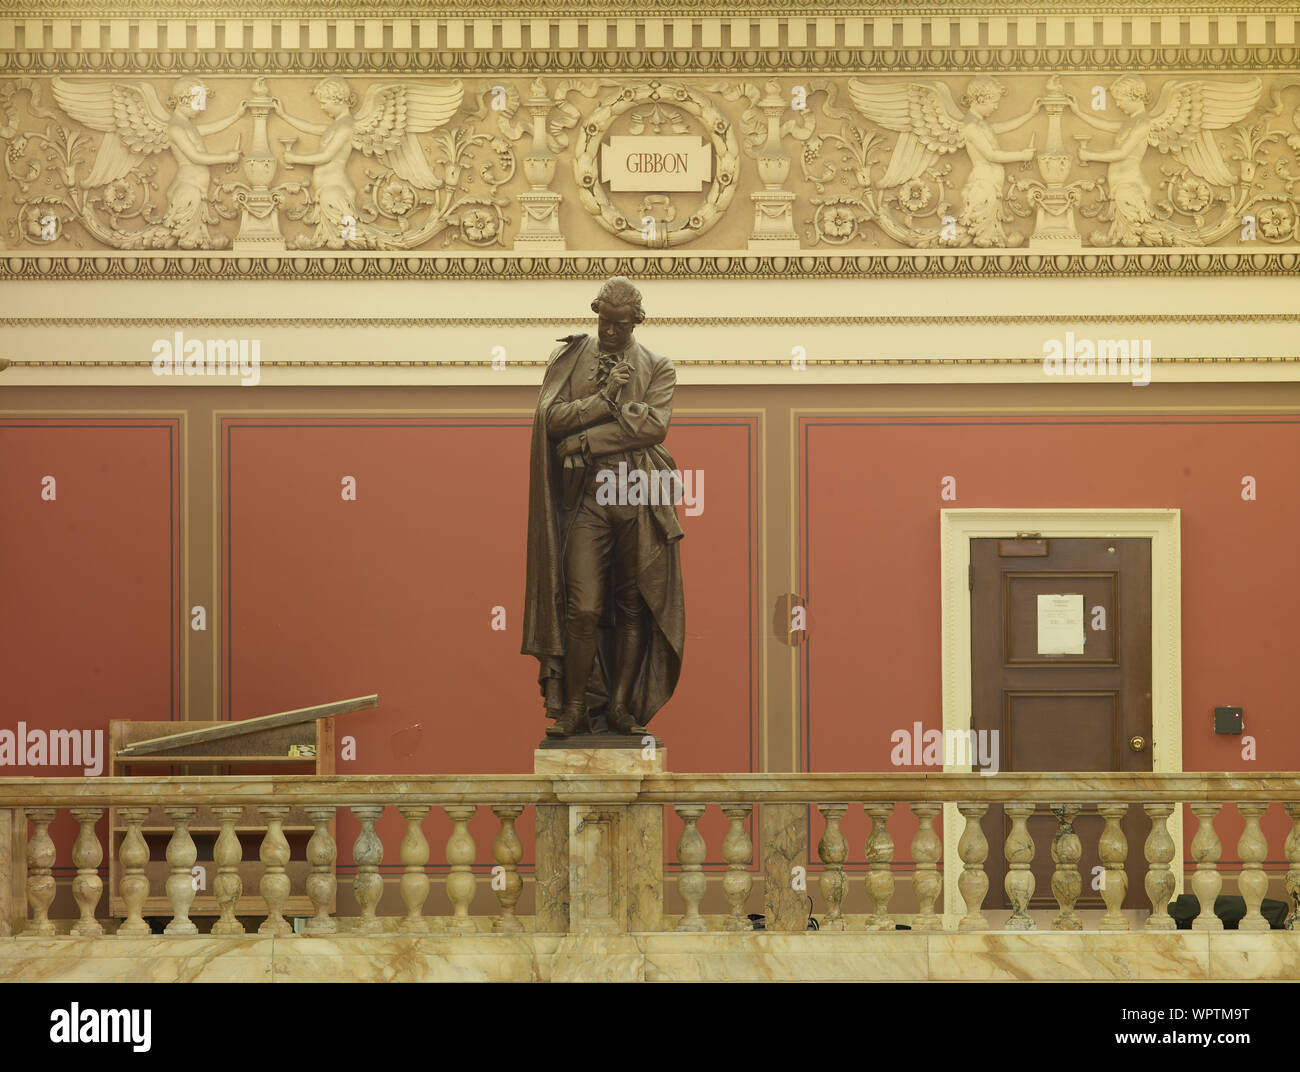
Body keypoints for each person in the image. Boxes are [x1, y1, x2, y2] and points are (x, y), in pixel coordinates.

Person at [521, 277, 686, 738]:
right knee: (584, 608)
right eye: (604, 322)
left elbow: (653, 428)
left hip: (635, 493)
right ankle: (575, 707)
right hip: (588, 496)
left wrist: (584, 440)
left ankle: (619, 708)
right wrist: (606, 400)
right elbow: (551, 420)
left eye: (619, 325)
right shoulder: (571, 358)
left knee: (633, 605)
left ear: (636, 321)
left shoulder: (658, 366)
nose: (610, 331)